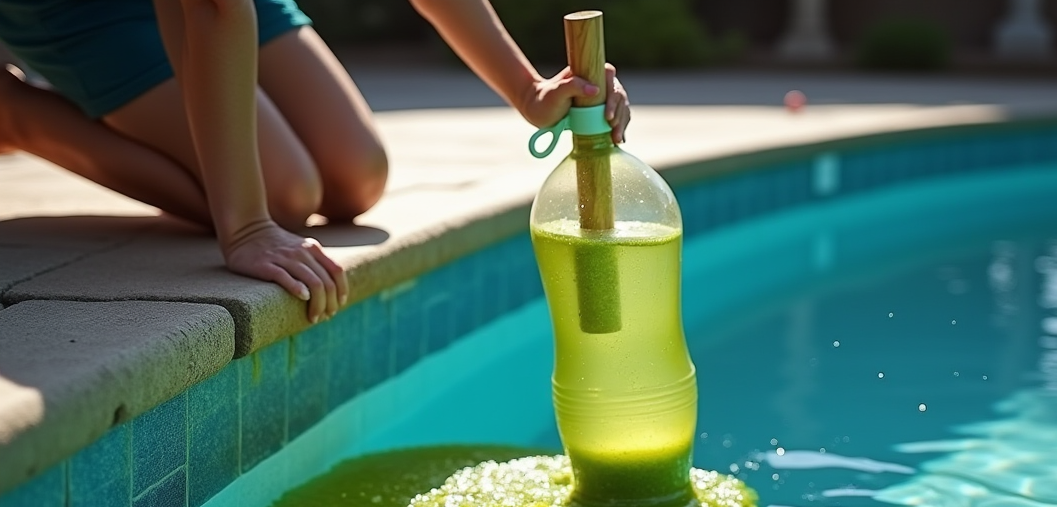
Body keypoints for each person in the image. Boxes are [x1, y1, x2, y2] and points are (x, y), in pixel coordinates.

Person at [0, 0, 631, 323]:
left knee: (355, 174)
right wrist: (246, 227)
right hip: (80, 10)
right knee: (281, 195)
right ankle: (18, 116)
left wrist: (526, 91)